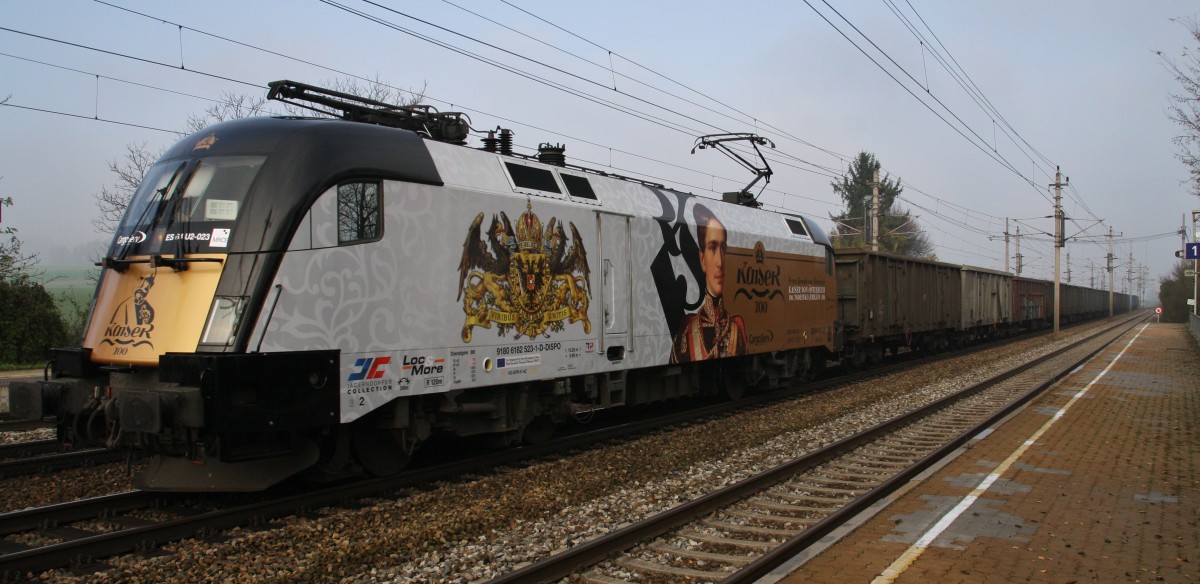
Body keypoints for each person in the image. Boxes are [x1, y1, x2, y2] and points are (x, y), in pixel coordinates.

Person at [670, 204, 748, 362]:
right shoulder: (686, 330)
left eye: (723, 249)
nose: (720, 262)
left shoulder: (737, 328)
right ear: (702, 259)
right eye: (713, 248)